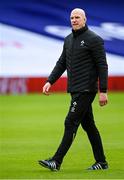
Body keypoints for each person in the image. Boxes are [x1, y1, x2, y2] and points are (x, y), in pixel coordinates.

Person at [38, 8, 108, 171]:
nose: (74, 20)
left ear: (85, 19)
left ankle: (56, 161)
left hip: (86, 89)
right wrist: (50, 81)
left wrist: (103, 90)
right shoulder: (68, 39)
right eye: (72, 17)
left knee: (70, 122)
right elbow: (62, 62)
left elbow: (102, 66)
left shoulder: (94, 39)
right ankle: (102, 162)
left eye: (77, 17)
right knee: (89, 126)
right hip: (75, 89)